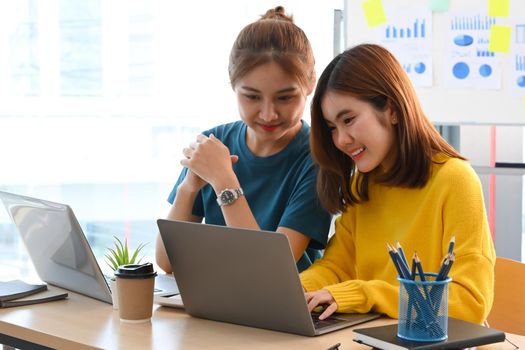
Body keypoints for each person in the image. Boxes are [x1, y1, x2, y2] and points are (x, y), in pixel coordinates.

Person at [300, 43, 495, 325]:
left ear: (391, 109)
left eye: (349, 119)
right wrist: (297, 289)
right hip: (377, 338)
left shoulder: (455, 180)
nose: (341, 139)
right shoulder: (363, 186)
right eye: (332, 128)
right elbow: (335, 267)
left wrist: (364, 294)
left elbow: (470, 303)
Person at [156, 6, 331, 274]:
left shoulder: (318, 158)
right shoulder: (215, 144)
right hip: (215, 299)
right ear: (233, 85)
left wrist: (224, 182)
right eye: (251, 97)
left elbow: (268, 268)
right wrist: (189, 187)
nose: (268, 114)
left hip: (281, 308)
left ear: (310, 84)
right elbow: (167, 262)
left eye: (285, 98)